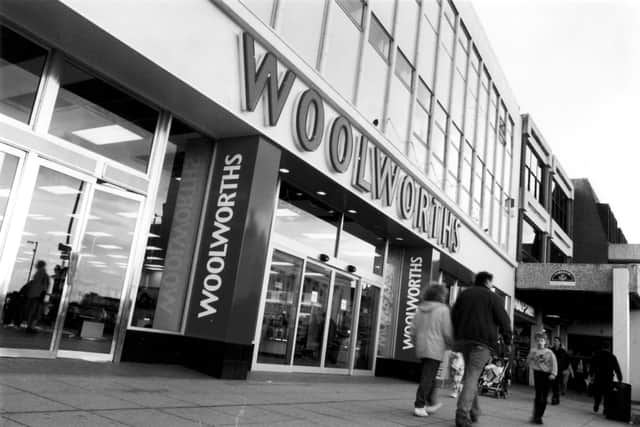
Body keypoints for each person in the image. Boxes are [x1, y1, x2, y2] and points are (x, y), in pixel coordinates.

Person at [451, 271, 512, 427]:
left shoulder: (464, 294)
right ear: (486, 282)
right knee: (472, 375)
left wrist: (456, 335)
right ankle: (462, 414)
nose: (492, 285)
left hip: (463, 341)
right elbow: (504, 320)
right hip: (482, 342)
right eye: (491, 282)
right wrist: (508, 339)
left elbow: (454, 316)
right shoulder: (492, 297)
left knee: (471, 375)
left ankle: (474, 411)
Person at [409, 284, 454, 418]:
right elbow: (446, 331)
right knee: (428, 377)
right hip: (435, 347)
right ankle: (419, 405)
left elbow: (412, 331)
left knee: (429, 376)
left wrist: (415, 343)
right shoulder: (443, 310)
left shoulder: (420, 309)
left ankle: (431, 403)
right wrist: (451, 344)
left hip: (422, 347)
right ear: (441, 295)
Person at [527, 330, 558, 424]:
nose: (540, 342)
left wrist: (553, 373)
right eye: (538, 340)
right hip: (538, 374)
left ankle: (539, 416)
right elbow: (528, 360)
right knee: (538, 395)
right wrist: (531, 364)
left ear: (545, 341)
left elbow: (554, 364)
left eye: (542, 340)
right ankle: (536, 415)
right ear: (536, 341)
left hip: (547, 376)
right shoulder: (533, 351)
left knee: (544, 397)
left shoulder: (549, 352)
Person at [589, 341, 622, 415]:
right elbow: (617, 368)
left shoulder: (596, 355)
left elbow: (592, 367)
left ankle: (596, 404)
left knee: (598, 393)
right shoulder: (612, 357)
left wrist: (591, 374)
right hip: (608, 379)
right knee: (607, 395)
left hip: (598, 378)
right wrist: (620, 378)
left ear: (602, 347)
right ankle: (605, 409)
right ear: (609, 348)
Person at [24, 260, 50, 333]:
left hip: (33, 295)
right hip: (38, 296)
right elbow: (45, 287)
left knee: (32, 311)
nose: (35, 265)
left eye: (37, 264)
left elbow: (37, 285)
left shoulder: (38, 274)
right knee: (36, 312)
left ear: (39, 265)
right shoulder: (44, 275)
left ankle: (29, 327)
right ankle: (31, 327)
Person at [550, 337, 570, 404]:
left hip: (559, 371)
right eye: (554, 341)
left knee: (557, 385)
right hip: (552, 370)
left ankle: (555, 398)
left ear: (559, 342)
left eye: (556, 341)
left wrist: (564, 369)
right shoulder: (551, 350)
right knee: (553, 385)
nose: (555, 342)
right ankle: (555, 398)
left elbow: (567, 361)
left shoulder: (563, 351)